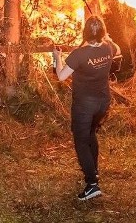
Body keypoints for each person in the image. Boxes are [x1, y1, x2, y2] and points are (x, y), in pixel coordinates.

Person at [53, 15, 121, 201]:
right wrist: (108, 39)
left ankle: (92, 184)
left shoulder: (79, 54)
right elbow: (118, 49)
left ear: (84, 32)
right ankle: (94, 170)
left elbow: (60, 76)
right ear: (103, 32)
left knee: (81, 141)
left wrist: (57, 57)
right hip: (103, 102)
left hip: (85, 106)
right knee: (91, 133)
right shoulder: (109, 47)